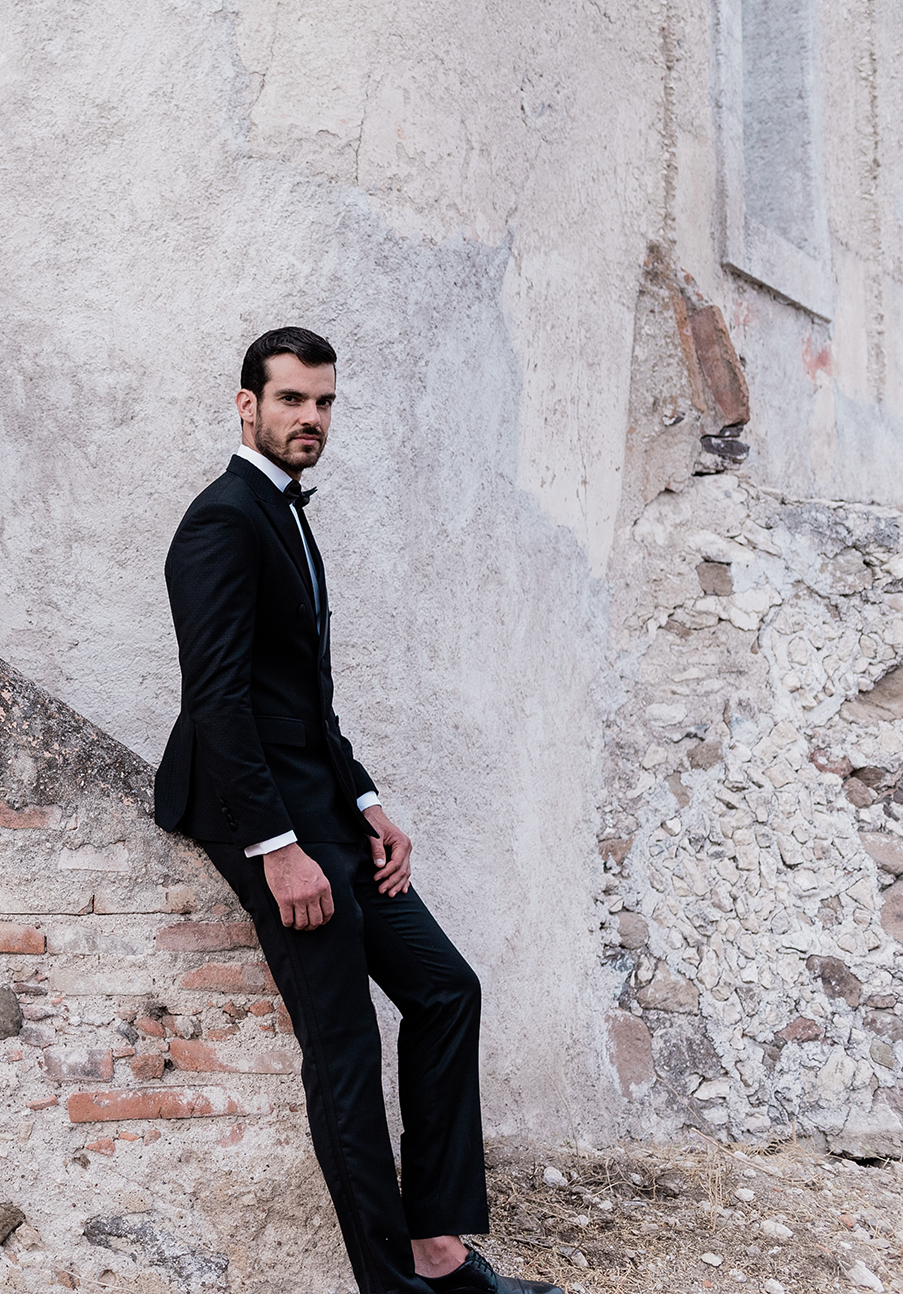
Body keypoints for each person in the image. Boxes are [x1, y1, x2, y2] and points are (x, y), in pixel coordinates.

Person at [154, 328, 559, 1294]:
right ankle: (395, 1283)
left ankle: (438, 1245)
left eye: (324, 402)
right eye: (292, 400)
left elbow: (301, 698)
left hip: (327, 808)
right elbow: (218, 700)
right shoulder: (221, 520)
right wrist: (277, 848)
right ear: (246, 405)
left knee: (446, 988)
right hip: (269, 822)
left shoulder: (286, 514)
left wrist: (369, 800)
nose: (311, 419)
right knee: (343, 1047)